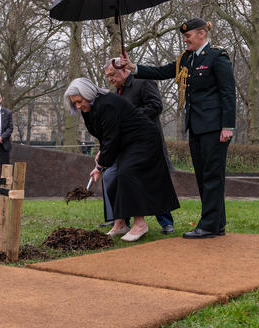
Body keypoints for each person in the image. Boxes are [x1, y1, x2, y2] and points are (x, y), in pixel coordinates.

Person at [122, 18, 236, 238]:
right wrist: (133, 67)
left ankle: (208, 225)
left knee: (213, 176)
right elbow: (163, 71)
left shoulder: (217, 56)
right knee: (204, 176)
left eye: (188, 36)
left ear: (202, 34)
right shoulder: (186, 58)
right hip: (195, 126)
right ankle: (217, 222)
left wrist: (228, 126)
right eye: (184, 36)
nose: (185, 39)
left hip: (215, 127)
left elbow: (228, 93)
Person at [64, 77, 180, 242]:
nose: (77, 106)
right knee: (111, 176)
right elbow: (106, 136)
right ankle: (120, 224)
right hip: (125, 142)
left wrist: (100, 166)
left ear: (88, 94)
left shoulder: (107, 104)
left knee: (127, 174)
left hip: (144, 140)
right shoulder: (89, 110)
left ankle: (140, 224)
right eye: (74, 103)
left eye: (79, 101)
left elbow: (112, 137)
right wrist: (102, 154)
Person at [102, 59, 175, 234]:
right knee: (114, 177)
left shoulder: (143, 81)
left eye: (112, 74)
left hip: (149, 142)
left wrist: (130, 117)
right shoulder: (116, 92)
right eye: (108, 76)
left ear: (124, 70)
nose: (110, 79)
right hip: (127, 146)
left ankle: (166, 222)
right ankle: (120, 220)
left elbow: (156, 106)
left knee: (154, 180)